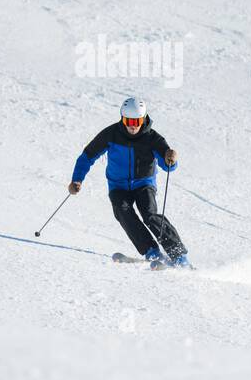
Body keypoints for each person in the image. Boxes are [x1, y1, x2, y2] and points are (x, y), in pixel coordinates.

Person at [68, 97, 189, 268]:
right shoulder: (111, 135)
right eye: (128, 121)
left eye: (137, 121)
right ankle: (152, 252)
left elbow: (168, 166)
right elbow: (87, 156)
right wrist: (76, 180)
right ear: (122, 118)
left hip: (143, 183)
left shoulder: (153, 139)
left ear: (143, 118)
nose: (132, 125)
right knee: (122, 211)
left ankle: (179, 256)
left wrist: (171, 159)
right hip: (118, 186)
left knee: (150, 214)